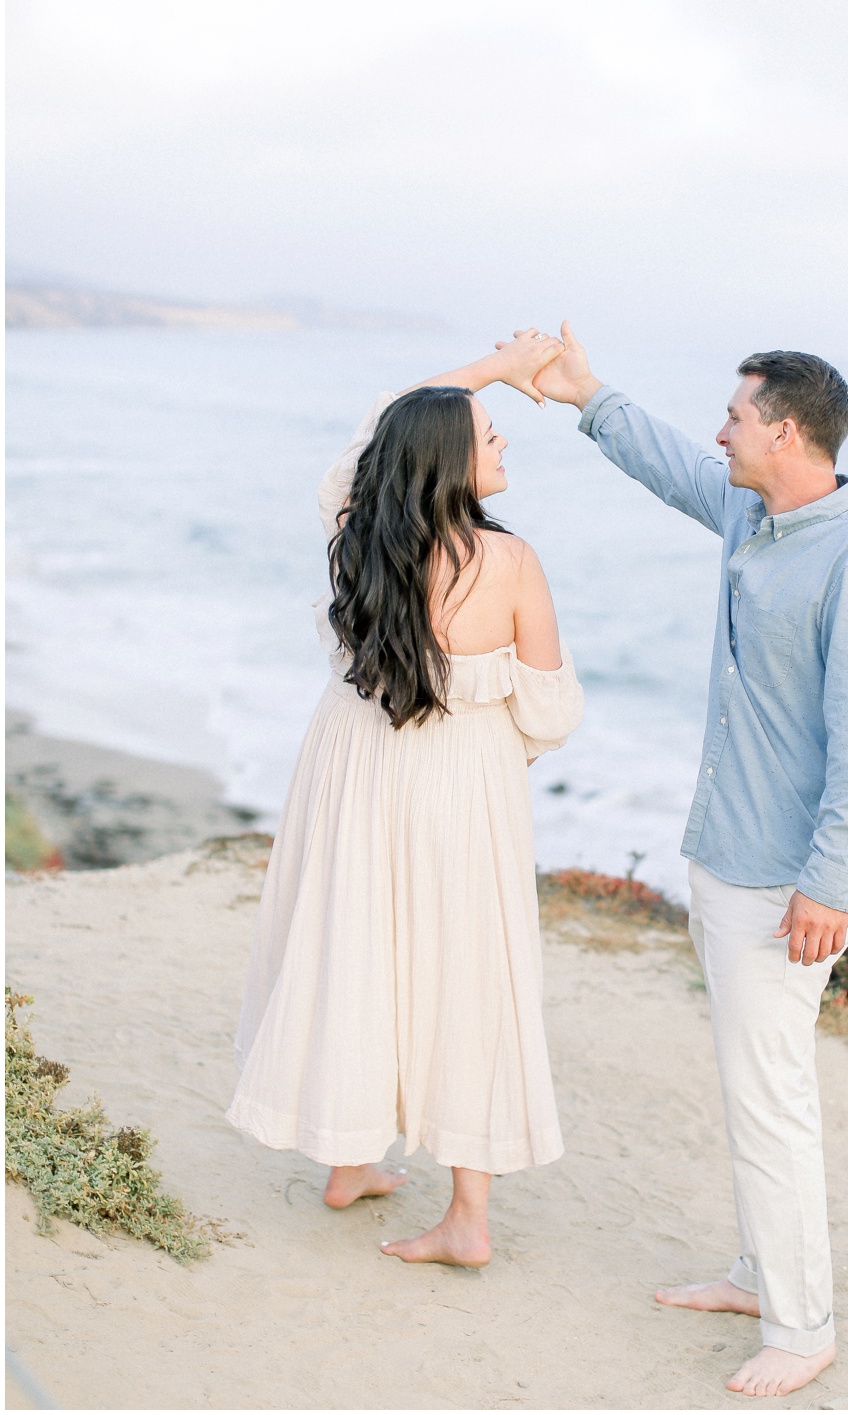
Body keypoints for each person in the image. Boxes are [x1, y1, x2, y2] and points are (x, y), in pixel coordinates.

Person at [527, 322, 848, 1398]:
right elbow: (672, 465)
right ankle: (758, 1272)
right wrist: (585, 394)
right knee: (749, 1086)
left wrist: (833, 882)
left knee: (771, 1096)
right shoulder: (753, 514)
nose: (722, 431)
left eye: (738, 416)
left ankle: (803, 1325)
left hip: (785, 882)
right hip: (723, 856)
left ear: (785, 430)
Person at [227, 332, 585, 1267]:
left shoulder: (356, 529)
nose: (505, 445)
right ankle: (468, 1216)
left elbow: (384, 420)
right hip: (459, 781)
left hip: (350, 761)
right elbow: (551, 710)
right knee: (467, 974)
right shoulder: (508, 563)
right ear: (450, 459)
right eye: (493, 433)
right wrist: (491, 747)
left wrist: (487, 371)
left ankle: (348, 1160)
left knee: (354, 944)